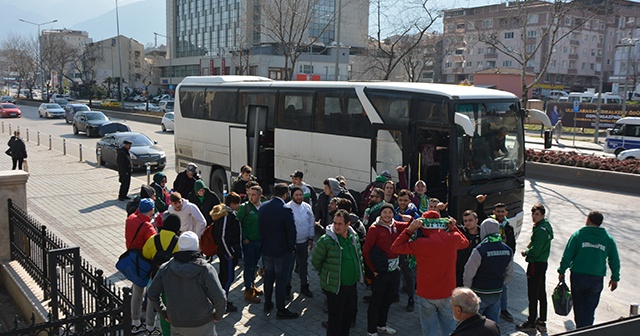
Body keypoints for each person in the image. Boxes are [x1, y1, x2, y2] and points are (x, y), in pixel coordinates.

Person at [390, 211, 469, 336]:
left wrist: (409, 229)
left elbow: (395, 247)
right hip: (447, 292)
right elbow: (465, 243)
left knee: (429, 331)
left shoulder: (421, 244)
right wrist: (454, 228)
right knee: (450, 329)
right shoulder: (453, 238)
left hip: (426, 293)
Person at [148, 231, 226, 336]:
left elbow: (152, 293)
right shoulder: (206, 269)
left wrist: (164, 313)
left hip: (177, 323)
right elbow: (220, 297)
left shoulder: (165, 268)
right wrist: (218, 316)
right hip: (202, 323)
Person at [557, 211, 620, 328]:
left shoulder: (578, 235)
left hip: (578, 277)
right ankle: (586, 329)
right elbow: (614, 260)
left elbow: (568, 255)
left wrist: (562, 271)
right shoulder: (608, 239)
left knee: (579, 307)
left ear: (588, 220)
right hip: (596, 279)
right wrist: (615, 278)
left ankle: (581, 329)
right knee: (589, 309)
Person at [311, 209, 364, 336]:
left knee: (347, 317)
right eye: (335, 223)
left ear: (348, 225)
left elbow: (358, 256)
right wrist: (328, 274)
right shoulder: (326, 240)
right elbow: (315, 261)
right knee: (335, 319)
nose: (337, 226)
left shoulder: (354, 237)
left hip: (351, 286)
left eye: (340, 224)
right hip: (335, 287)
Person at [363, 202, 408, 336]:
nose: (387, 215)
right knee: (376, 301)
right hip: (380, 271)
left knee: (388, 299)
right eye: (385, 212)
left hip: (394, 271)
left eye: (390, 212)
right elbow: (366, 251)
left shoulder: (395, 225)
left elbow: (412, 226)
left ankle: (381, 325)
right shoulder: (374, 228)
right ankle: (371, 330)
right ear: (380, 214)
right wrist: (373, 270)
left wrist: (409, 219)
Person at [258, 183, 299, 319]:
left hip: (267, 250)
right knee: (280, 281)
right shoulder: (285, 209)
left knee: (268, 278)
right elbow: (291, 232)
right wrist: (290, 248)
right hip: (282, 252)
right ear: (285, 194)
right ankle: (281, 309)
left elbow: (260, 228)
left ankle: (268, 303)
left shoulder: (263, 207)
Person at [463, 218, 514, 323]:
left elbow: (468, 273)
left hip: (479, 293)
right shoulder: (507, 250)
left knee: (474, 324)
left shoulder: (480, 249)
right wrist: (500, 283)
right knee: (491, 324)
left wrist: (467, 290)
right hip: (496, 293)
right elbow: (510, 274)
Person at [476, 196, 516, 322]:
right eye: (497, 211)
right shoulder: (489, 223)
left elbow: (512, 244)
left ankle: (503, 309)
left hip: (502, 259)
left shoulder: (508, 227)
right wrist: (480, 203)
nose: (499, 213)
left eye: (502, 211)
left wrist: (508, 258)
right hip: (490, 258)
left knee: (503, 286)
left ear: (506, 213)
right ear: (494, 212)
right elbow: (480, 215)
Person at [141, 213, 181, 336]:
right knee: (168, 309)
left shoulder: (153, 239)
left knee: (153, 303)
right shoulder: (178, 242)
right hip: (172, 283)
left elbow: (145, 254)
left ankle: (150, 326)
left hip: (155, 279)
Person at [516, 204, 554, 332]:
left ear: (543, 215)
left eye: (537, 214)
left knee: (533, 295)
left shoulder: (540, 230)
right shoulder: (545, 226)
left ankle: (531, 322)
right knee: (541, 293)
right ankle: (541, 321)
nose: (534, 216)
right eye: (533, 214)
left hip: (535, 264)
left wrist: (526, 252)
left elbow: (535, 251)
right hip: (543, 263)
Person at [125, 198, 158, 334]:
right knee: (151, 294)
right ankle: (150, 325)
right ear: (151, 210)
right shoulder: (148, 227)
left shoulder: (130, 219)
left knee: (137, 292)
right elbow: (154, 244)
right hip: (146, 263)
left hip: (134, 260)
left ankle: (135, 321)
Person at [212, 192, 242, 313]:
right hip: (227, 254)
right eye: (238, 203)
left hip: (225, 252)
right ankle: (222, 303)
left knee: (223, 277)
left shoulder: (227, 214)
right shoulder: (226, 216)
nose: (239, 205)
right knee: (227, 278)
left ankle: (221, 300)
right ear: (232, 204)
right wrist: (230, 253)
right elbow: (223, 237)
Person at [394, 189, 420, 312]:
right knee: (395, 271)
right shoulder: (395, 211)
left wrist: (409, 221)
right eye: (400, 200)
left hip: (408, 248)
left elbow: (419, 227)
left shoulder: (414, 214)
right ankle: (395, 295)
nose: (402, 202)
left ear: (409, 201)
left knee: (408, 274)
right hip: (396, 246)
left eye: (405, 200)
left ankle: (411, 299)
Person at [287, 186, 315, 298]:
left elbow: (311, 223)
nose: (299, 197)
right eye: (296, 195)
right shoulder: (287, 207)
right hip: (291, 244)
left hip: (304, 242)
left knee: (303, 266)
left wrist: (311, 238)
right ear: (292, 196)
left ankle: (304, 287)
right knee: (289, 267)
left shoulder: (307, 207)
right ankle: (286, 289)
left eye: (300, 195)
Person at [237, 185, 264, 303]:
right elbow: (238, 225)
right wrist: (244, 238)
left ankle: (252, 286)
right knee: (249, 267)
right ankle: (248, 291)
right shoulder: (245, 208)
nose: (251, 197)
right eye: (250, 194)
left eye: (253, 195)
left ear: (260, 196)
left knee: (255, 265)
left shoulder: (264, 207)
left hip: (260, 241)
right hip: (249, 243)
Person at [456, 210, 482, 287]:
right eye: (465, 221)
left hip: (478, 273)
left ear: (476, 220)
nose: (467, 223)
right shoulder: (461, 233)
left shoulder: (483, 235)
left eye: (470, 220)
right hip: (460, 272)